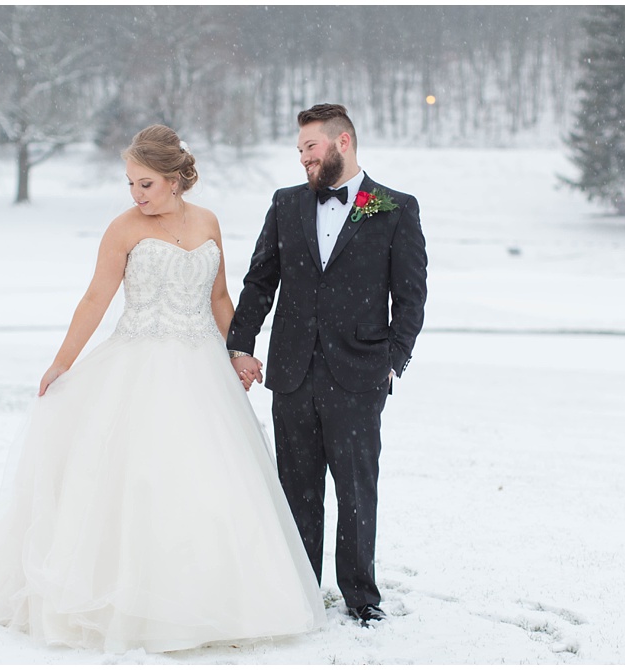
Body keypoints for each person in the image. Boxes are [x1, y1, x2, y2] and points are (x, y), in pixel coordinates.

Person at [0, 125, 326, 654]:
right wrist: (61, 363)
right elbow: (94, 300)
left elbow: (221, 297)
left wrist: (237, 352)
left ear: (176, 180)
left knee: (212, 479)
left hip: (202, 371)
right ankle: (134, 600)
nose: (136, 194)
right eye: (130, 183)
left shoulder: (208, 223)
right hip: (138, 367)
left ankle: (222, 598)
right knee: (141, 480)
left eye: (145, 184)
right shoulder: (123, 228)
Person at [227, 104, 428, 626]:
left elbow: (410, 297)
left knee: (357, 487)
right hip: (291, 371)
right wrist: (240, 343)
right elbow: (258, 281)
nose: (303, 160)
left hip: (360, 373)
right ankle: (299, 589)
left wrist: (392, 361)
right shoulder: (286, 203)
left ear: (342, 143)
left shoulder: (395, 208)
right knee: (297, 487)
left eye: (310, 148)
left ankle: (362, 597)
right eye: (299, 151)